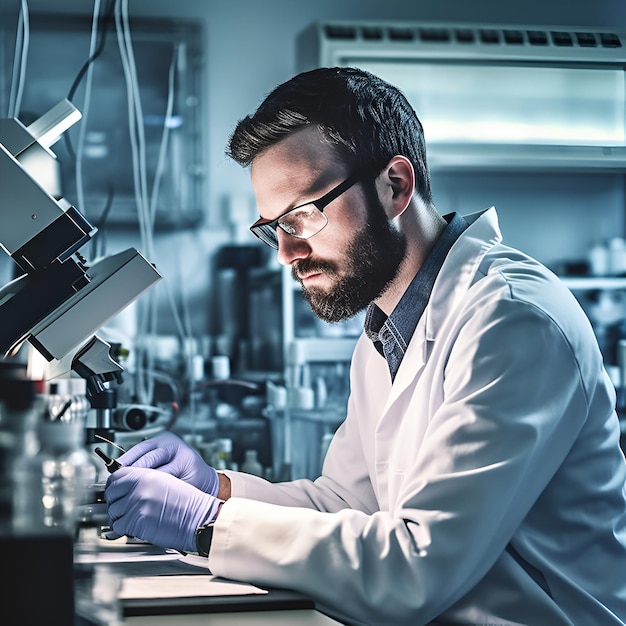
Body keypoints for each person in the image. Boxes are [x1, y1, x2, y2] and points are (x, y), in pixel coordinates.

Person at [105, 67, 626, 625]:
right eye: (272, 228)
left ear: (395, 186)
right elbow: (346, 505)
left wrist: (207, 524)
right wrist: (218, 488)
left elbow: (415, 570)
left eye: (301, 216)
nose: (285, 252)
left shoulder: (513, 320)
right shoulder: (388, 327)